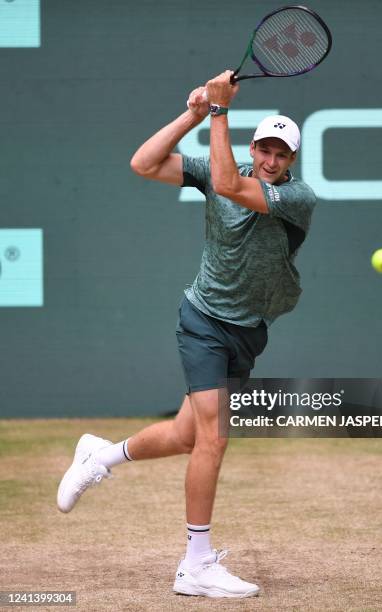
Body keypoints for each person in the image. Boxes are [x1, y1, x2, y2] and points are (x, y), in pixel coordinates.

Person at [57, 70, 316, 599]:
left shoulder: (299, 198)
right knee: (214, 440)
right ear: (253, 146)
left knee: (185, 436)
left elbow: (227, 185)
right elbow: (144, 162)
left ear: (292, 162)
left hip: (248, 331)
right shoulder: (224, 166)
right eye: (265, 149)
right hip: (203, 319)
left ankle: (100, 457)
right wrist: (196, 115)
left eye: (281, 154)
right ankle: (195, 564)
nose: (271, 161)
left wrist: (219, 111)